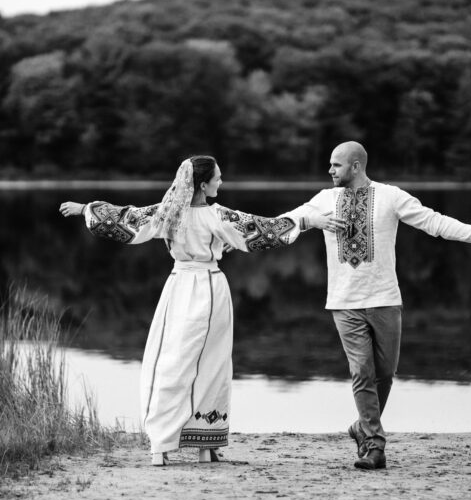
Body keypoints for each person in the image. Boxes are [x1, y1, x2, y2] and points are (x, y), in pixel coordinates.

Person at [59, 156, 330, 466]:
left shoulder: (168, 213)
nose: (221, 182)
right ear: (203, 184)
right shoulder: (218, 215)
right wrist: (308, 221)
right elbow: (264, 230)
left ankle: (162, 443)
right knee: (211, 364)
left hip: (177, 287)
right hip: (209, 287)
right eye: (218, 177)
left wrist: (85, 209)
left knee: (170, 361)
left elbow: (126, 219)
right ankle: (204, 444)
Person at [283, 141, 471, 470]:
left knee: (385, 375)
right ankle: (374, 445)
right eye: (330, 165)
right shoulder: (324, 201)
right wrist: (310, 222)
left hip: (385, 299)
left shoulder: (390, 197)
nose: (330, 170)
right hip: (344, 303)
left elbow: (434, 222)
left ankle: (361, 426)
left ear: (355, 166)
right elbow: (284, 223)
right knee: (361, 372)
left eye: (336, 165)